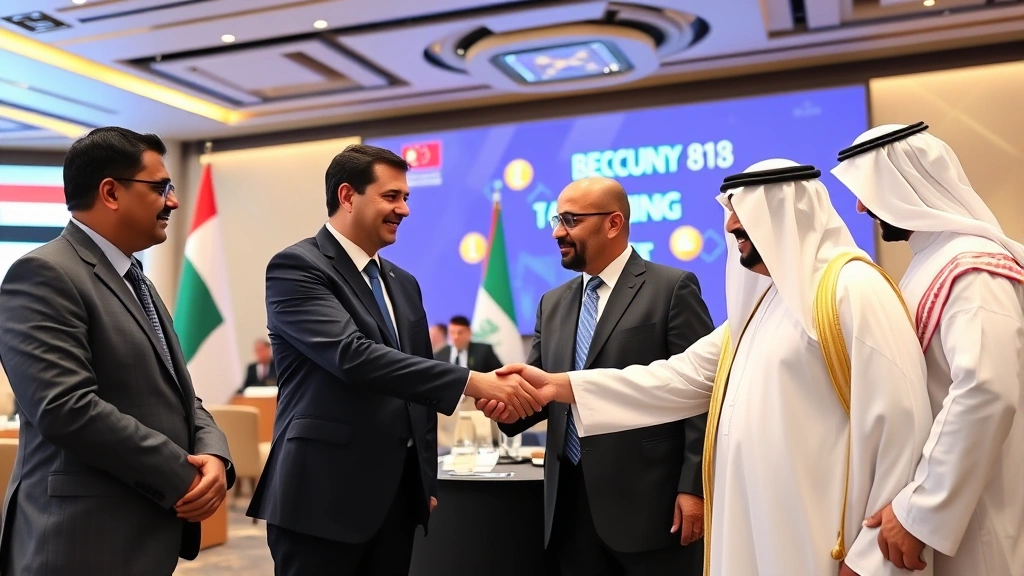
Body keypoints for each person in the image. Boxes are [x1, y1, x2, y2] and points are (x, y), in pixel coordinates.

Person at [488, 160, 935, 576]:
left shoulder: (852, 288)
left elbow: (900, 420)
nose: (730, 227)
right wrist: (557, 386)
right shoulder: (763, 304)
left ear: (786, 216)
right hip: (762, 514)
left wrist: (873, 543)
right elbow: (677, 378)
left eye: (744, 222)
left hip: (829, 519)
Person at [246, 144, 542, 576]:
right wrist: (475, 383)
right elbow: (353, 356)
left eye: (406, 198)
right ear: (347, 196)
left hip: (397, 500)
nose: (403, 209)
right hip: (321, 497)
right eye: (391, 196)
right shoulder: (297, 266)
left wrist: (423, 478)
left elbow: (415, 389)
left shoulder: (404, 284)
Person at [0, 127, 234, 575]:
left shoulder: (137, 280)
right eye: (161, 187)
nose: (173, 201)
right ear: (110, 192)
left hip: (140, 532)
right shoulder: (44, 273)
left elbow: (178, 391)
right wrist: (182, 473)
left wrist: (214, 453)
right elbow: (65, 407)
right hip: (80, 541)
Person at [480, 177, 713, 575]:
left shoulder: (672, 288)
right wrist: (505, 404)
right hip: (569, 508)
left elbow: (701, 392)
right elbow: (543, 393)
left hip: (651, 509)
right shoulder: (551, 303)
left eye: (571, 220)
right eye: (557, 219)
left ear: (613, 223)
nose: (557, 232)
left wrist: (694, 487)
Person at [833, 122, 1024, 576]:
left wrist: (921, 511)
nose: (860, 207)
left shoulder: (972, 267)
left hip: (977, 513)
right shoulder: (931, 261)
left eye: (868, 192)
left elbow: (986, 391)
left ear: (904, 187)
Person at [434, 315, 502, 371]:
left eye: (460, 333)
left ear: (469, 332)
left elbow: (499, 372)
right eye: (452, 332)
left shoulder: (484, 351)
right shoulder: (440, 354)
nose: (456, 337)